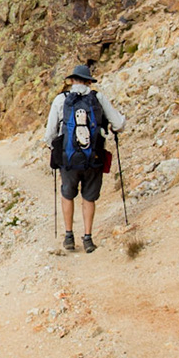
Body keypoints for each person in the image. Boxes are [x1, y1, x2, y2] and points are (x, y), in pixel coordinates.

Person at [45, 64, 126, 253]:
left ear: (72, 80)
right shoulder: (97, 98)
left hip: (69, 159)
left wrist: (55, 148)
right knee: (89, 197)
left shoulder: (60, 100)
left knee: (67, 194)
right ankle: (88, 238)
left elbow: (50, 133)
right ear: (89, 81)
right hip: (93, 156)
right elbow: (118, 124)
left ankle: (68, 236)